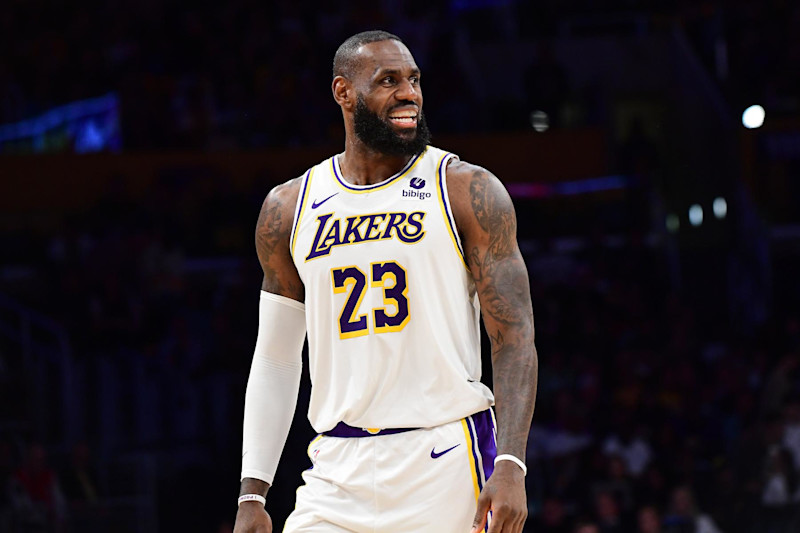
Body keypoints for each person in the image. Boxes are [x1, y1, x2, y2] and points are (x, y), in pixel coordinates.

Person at [233, 30, 539, 533]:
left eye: (414, 80)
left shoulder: (465, 189)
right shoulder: (288, 208)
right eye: (388, 81)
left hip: (444, 457)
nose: (409, 94)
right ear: (343, 93)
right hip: (336, 466)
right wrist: (253, 490)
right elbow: (276, 357)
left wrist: (511, 462)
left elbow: (514, 335)